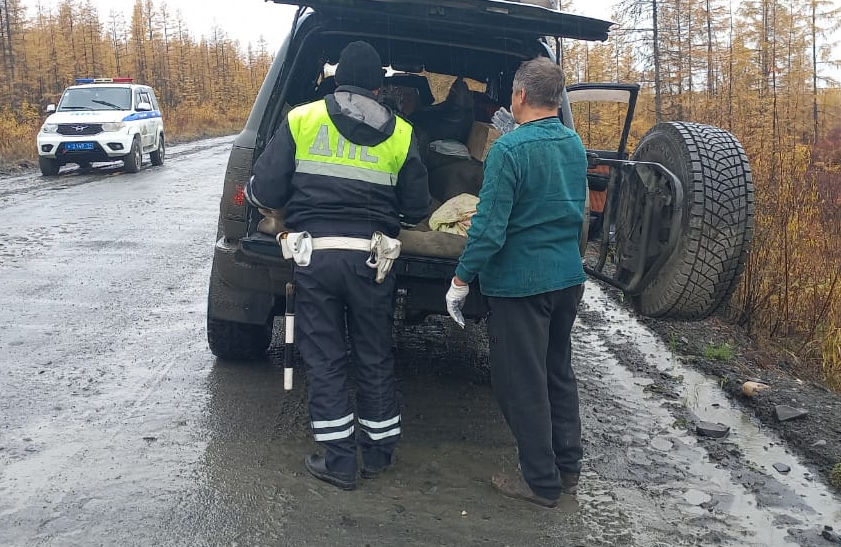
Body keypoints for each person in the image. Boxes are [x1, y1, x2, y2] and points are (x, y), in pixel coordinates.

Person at [246, 40, 432, 490]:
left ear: (334, 78)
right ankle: (380, 451)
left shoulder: (302, 119)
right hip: (373, 261)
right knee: (374, 351)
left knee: (325, 357)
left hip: (316, 258)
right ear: (378, 86)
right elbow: (415, 208)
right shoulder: (403, 134)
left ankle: (340, 461)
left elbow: (265, 193)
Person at [445, 56, 587, 508]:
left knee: (519, 383)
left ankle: (540, 482)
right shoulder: (574, 142)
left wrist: (461, 279)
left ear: (520, 96)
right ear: (558, 98)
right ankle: (566, 468)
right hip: (566, 279)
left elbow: (488, 229)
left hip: (522, 284)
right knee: (555, 373)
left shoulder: (507, 150)